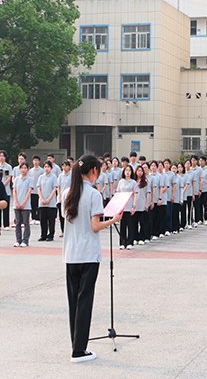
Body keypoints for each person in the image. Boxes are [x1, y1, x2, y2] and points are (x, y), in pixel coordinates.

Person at [63, 154, 122, 363]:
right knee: (85, 300)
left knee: (74, 302)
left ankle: (75, 345)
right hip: (88, 254)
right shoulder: (94, 194)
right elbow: (95, 226)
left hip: (71, 254)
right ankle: (79, 351)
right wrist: (113, 219)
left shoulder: (67, 192)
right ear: (94, 170)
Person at [116, 165, 136, 250]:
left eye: (129, 170)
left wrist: (134, 206)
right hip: (122, 207)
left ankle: (130, 242)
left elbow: (135, 195)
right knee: (122, 226)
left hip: (130, 205)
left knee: (131, 225)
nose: (127, 172)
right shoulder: (121, 182)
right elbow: (118, 193)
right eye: (126, 170)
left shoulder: (133, 182)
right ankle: (122, 242)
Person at [37, 160, 58, 242]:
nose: (46, 168)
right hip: (42, 202)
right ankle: (43, 235)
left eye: (48, 167)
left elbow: (54, 188)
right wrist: (41, 198)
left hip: (51, 203)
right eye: (45, 167)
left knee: (51, 220)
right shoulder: (41, 177)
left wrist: (48, 199)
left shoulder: (54, 177)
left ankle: (51, 235)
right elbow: (39, 188)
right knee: (43, 220)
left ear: (51, 168)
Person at [13, 162, 33, 247]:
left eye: (25, 168)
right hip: (17, 204)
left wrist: (24, 203)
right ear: (20, 169)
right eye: (22, 168)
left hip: (26, 205)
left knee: (25, 222)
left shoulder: (30, 179)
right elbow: (14, 191)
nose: (23, 169)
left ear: (27, 169)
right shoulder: (17, 179)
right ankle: (18, 240)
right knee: (18, 223)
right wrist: (16, 202)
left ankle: (25, 240)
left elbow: (29, 192)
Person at [131, 166, 150, 244]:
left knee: (143, 223)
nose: (140, 172)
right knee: (134, 223)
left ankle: (141, 238)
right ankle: (135, 237)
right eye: (138, 170)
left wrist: (147, 204)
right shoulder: (133, 182)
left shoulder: (145, 182)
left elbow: (148, 193)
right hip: (134, 205)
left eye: (141, 171)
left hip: (142, 204)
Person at [57, 161, 72, 236]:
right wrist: (59, 196)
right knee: (61, 215)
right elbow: (58, 187)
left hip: (69, 198)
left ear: (69, 166)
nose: (64, 167)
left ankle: (69, 230)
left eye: (66, 166)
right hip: (61, 198)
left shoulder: (72, 175)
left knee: (69, 214)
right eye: (63, 166)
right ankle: (63, 231)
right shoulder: (60, 176)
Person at [0, 150, 12, 231]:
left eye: (3, 155)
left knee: (6, 207)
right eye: (0, 155)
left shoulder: (8, 167)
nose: (1, 157)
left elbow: (8, 177)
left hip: (6, 189)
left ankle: (6, 224)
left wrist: (2, 185)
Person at [29, 155, 43, 224]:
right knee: (32, 205)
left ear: (39, 161)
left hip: (39, 191)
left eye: (37, 160)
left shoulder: (42, 170)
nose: (35, 162)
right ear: (32, 161)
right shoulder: (30, 170)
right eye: (34, 160)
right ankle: (33, 218)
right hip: (32, 190)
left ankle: (38, 218)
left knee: (38, 205)